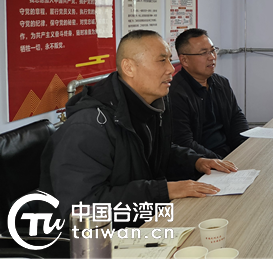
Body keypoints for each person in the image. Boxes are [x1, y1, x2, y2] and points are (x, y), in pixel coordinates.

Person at [40, 30, 237, 227]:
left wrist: (196, 161)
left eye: (170, 60)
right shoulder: (88, 126)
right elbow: (82, 208)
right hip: (93, 237)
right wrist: (164, 191)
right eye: (162, 60)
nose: (171, 69)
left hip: (142, 219)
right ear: (129, 68)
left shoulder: (150, 105)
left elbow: (158, 153)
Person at [170, 28, 250, 159]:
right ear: (184, 60)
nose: (212, 57)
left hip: (229, 156)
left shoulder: (222, 83)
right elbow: (184, 143)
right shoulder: (175, 93)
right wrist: (220, 161)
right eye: (203, 53)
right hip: (201, 162)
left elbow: (236, 118)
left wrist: (245, 148)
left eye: (213, 50)